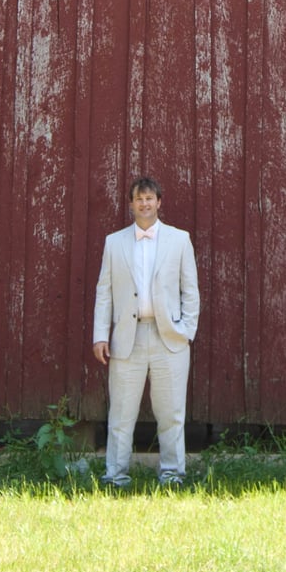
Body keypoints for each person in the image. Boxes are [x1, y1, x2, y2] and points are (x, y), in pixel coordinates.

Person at [91, 176, 200, 487]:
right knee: (122, 414)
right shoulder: (115, 242)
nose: (144, 204)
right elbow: (105, 291)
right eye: (139, 199)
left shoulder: (180, 240)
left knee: (171, 412)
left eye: (150, 198)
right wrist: (101, 335)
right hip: (129, 337)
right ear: (131, 204)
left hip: (170, 337)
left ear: (159, 202)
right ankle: (115, 475)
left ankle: (173, 475)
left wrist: (186, 330)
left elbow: (190, 290)